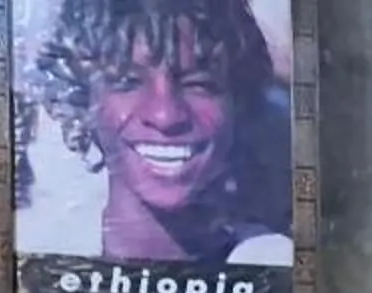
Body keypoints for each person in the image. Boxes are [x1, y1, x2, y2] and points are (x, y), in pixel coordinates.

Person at [27, 0, 294, 267]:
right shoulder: (35, 256)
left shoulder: (275, 268)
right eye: (127, 82)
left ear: (239, 102)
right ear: (84, 99)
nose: (165, 116)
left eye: (198, 84)